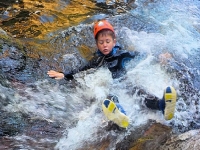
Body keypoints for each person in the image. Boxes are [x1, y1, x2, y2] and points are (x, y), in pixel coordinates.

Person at [47, 20, 177, 121]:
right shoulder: (97, 60)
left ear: (114, 42)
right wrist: (64, 74)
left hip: (125, 82)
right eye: (101, 42)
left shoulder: (122, 53)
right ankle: (120, 116)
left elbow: (143, 56)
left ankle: (161, 105)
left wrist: (160, 56)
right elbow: (80, 70)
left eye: (107, 41)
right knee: (108, 96)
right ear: (97, 44)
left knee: (139, 92)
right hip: (112, 85)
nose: (104, 45)